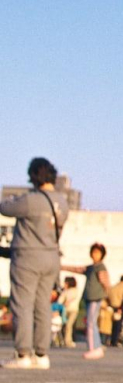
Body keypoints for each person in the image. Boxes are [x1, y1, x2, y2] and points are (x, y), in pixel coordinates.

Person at [0, 158, 70, 371]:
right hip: (51, 257)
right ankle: (42, 354)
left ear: (33, 176)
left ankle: (23, 353)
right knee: (42, 306)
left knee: (22, 304)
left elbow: (5, 208)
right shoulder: (63, 202)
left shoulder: (31, 200)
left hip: (28, 257)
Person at [61, 243, 111, 360]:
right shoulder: (91, 268)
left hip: (95, 298)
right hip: (90, 297)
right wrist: (61, 267)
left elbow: (106, 284)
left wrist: (105, 298)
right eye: (93, 252)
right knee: (92, 322)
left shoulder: (100, 268)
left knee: (90, 323)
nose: (95, 255)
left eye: (97, 253)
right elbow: (77, 269)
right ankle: (97, 346)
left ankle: (93, 348)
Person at [108, 274, 123, 348]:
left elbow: (108, 296)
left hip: (112, 306)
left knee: (113, 325)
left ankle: (112, 340)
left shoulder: (113, 287)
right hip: (120, 307)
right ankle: (116, 340)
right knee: (118, 325)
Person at [60, 276, 81, 348]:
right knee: (65, 326)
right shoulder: (65, 291)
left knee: (69, 325)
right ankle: (65, 340)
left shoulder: (75, 290)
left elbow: (74, 297)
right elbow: (60, 300)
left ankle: (68, 341)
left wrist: (67, 301)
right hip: (65, 310)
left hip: (73, 310)